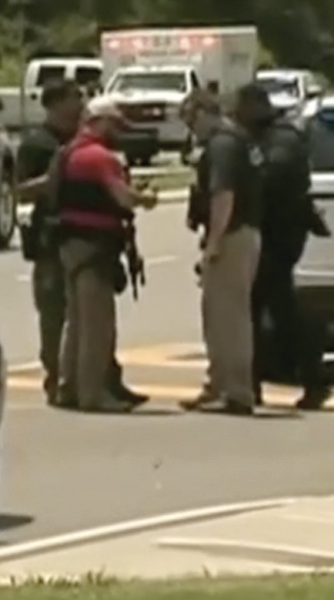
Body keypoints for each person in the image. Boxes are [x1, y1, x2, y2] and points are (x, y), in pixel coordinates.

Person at [16, 79, 147, 409]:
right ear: (55, 103)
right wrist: (56, 179)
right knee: (68, 318)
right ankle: (68, 384)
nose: (80, 103)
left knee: (82, 320)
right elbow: (19, 190)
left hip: (77, 238)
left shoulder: (76, 144)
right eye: (75, 97)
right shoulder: (40, 144)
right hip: (56, 238)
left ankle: (94, 382)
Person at [53, 96, 157, 412]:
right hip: (95, 247)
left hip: (68, 243)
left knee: (75, 322)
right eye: (114, 125)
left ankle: (67, 388)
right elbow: (122, 198)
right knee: (97, 325)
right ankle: (93, 394)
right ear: (100, 122)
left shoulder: (67, 153)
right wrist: (145, 197)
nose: (118, 132)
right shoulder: (100, 157)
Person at [179, 85, 266, 416]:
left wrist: (213, 243)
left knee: (228, 318)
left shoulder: (223, 145)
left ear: (202, 112)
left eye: (191, 121)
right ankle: (218, 385)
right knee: (219, 316)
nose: (191, 130)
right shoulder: (238, 139)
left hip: (231, 236)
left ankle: (236, 391)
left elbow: (223, 196)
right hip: (241, 233)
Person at [245, 85, 334, 410]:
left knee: (270, 311)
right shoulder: (268, 137)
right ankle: (263, 381)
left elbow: (274, 178)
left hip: (279, 234)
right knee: (271, 309)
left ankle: (311, 378)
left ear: (256, 107)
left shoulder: (282, 140)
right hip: (271, 233)